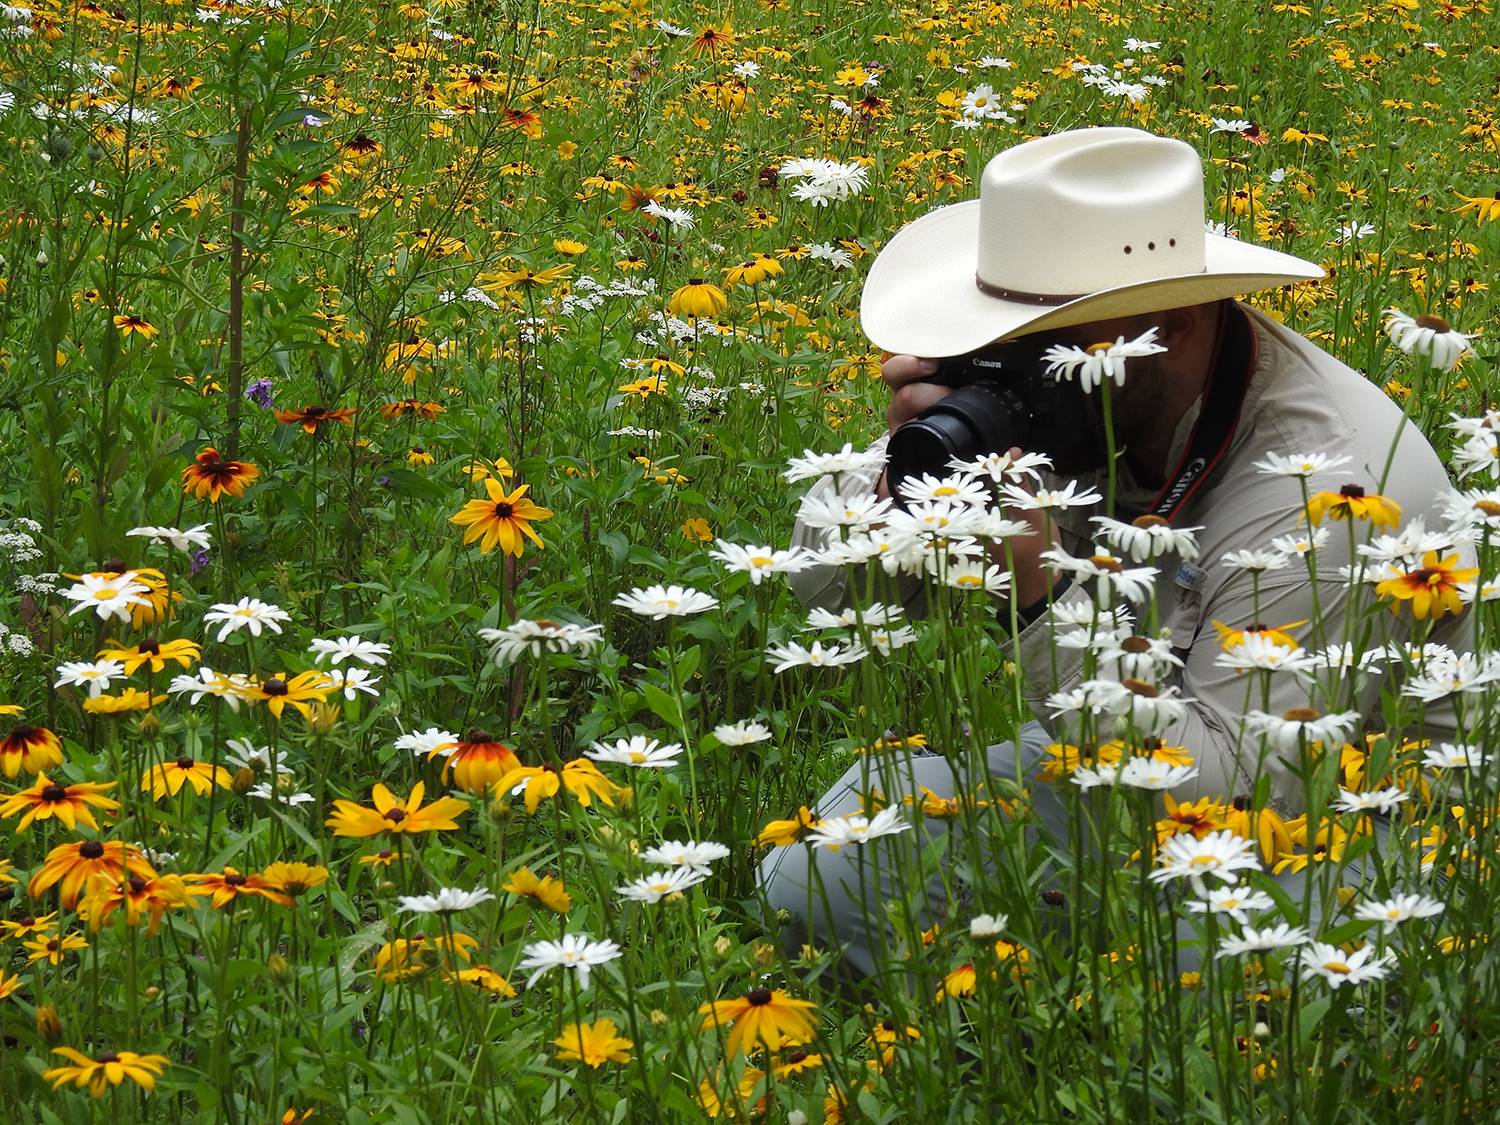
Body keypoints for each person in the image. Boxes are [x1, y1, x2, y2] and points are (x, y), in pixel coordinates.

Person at [758, 127, 1472, 979]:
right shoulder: (1066, 399)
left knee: (1200, 980)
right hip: (1128, 734)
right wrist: (905, 488)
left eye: (1051, 343)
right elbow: (825, 596)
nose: (1018, 371)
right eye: (999, 338)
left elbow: (1231, 787)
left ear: (1168, 329)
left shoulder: (1326, 483)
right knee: (828, 872)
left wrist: (1034, 599)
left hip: (1370, 820)